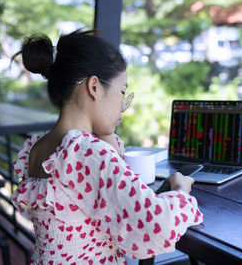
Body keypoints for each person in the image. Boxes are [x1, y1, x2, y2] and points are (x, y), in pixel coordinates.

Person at [11, 29, 203, 265]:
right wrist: (181, 191)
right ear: (94, 87)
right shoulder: (86, 153)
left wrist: (108, 138)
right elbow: (154, 224)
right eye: (122, 91)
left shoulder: (36, 147)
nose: (123, 105)